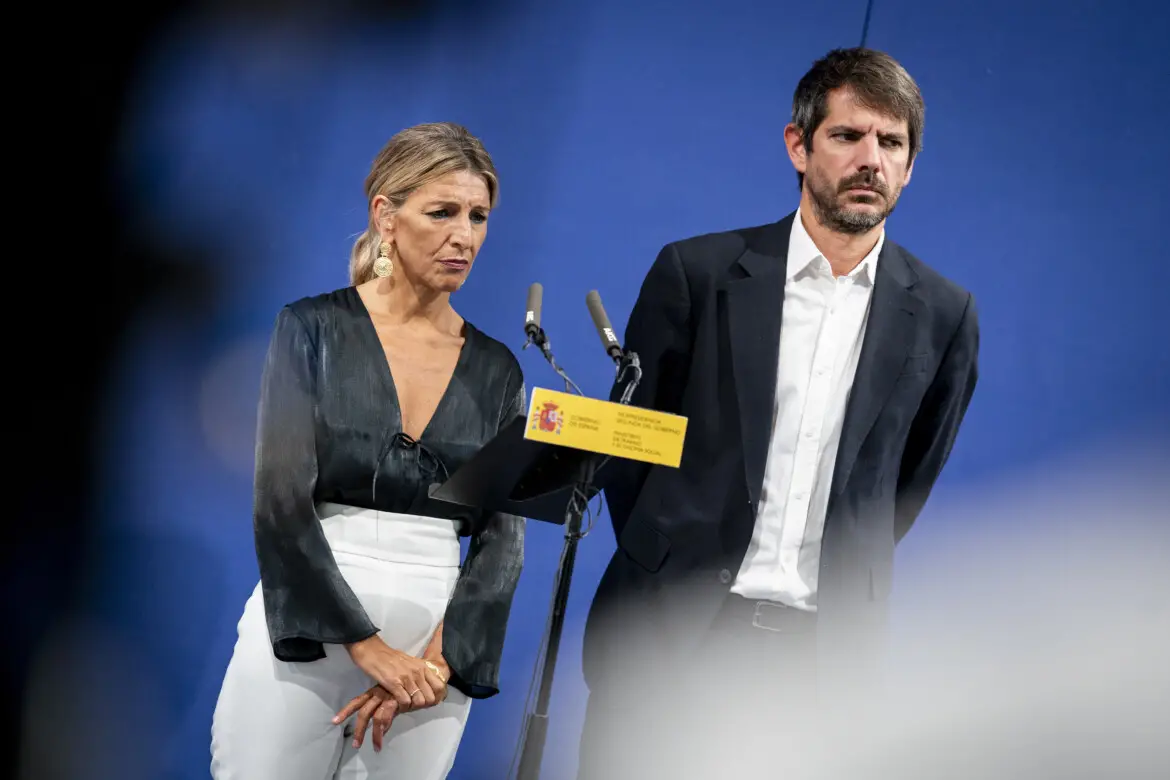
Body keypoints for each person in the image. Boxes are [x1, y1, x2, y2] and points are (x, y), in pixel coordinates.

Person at [577, 48, 979, 779]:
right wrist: (671, 553)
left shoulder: (945, 316)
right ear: (799, 145)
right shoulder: (697, 274)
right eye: (847, 135)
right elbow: (634, 448)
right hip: (672, 630)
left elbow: (905, 483)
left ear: (910, 165)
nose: (871, 160)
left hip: (822, 664)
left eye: (891, 143)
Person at [210, 122, 527, 780]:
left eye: (477, 217)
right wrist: (368, 646)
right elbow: (281, 501)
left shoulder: (498, 371)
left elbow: (503, 539)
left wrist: (437, 663)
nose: (464, 236)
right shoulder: (311, 329)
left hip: (434, 652)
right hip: (309, 625)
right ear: (386, 215)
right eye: (442, 212)